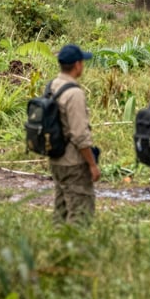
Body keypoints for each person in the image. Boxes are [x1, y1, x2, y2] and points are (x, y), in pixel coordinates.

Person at [49, 43, 101, 225]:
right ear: (77, 65)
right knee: (80, 215)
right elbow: (80, 135)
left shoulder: (52, 86)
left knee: (61, 212)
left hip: (56, 159)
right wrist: (92, 164)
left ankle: (57, 242)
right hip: (73, 163)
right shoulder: (74, 93)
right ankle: (75, 244)